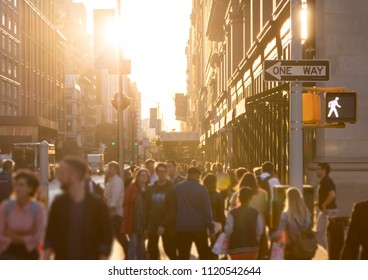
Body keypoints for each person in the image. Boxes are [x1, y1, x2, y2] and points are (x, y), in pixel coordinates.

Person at [44, 157, 113, 260]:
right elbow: (51, 235)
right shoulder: (59, 203)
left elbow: (106, 237)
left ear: (74, 175)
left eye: (62, 173)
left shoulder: (97, 205)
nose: (58, 177)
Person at [0, 170, 44, 260]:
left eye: (21, 185)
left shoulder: (36, 208)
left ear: (30, 188)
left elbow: (37, 234)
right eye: (16, 185)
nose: (17, 188)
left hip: (30, 253)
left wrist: (11, 234)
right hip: (8, 252)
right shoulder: (6, 206)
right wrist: (25, 235)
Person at [175, 167, 214, 260]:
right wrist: (210, 227)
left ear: (187, 175)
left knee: (183, 255)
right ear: (197, 176)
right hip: (199, 227)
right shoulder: (202, 189)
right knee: (204, 255)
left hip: (182, 227)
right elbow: (206, 210)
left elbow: (173, 207)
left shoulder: (177, 188)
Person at [271, 187, 313, 260]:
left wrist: (271, 236)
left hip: (291, 250)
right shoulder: (307, 213)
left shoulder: (286, 215)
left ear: (288, 199)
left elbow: (279, 233)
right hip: (306, 250)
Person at [146, 163, 176, 260]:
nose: (162, 174)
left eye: (164, 172)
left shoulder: (171, 188)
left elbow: (173, 208)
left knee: (169, 250)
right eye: (160, 172)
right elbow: (148, 207)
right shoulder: (151, 188)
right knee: (152, 251)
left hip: (167, 226)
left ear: (167, 173)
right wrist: (146, 225)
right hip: (153, 225)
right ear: (157, 173)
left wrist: (163, 225)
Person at [224, 187, 263, 260]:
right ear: (250, 198)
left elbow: (228, 230)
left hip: (235, 247)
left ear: (238, 198)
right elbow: (259, 230)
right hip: (252, 246)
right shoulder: (255, 212)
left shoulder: (232, 213)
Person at [122, 168, 150, 260]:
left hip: (145, 221)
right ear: (137, 177)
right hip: (133, 220)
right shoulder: (132, 187)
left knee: (141, 244)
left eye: (145, 175)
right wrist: (126, 217)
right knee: (133, 243)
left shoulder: (149, 189)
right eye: (141, 175)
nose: (143, 177)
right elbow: (125, 202)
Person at [105, 161, 128, 259]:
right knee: (119, 236)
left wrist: (111, 212)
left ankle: (129, 253)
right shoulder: (111, 181)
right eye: (109, 168)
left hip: (116, 214)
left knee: (120, 235)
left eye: (111, 168)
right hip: (114, 213)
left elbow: (115, 198)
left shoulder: (117, 181)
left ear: (116, 170)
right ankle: (128, 253)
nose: (108, 170)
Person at [202, 174, 225, 259]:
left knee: (203, 246)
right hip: (216, 223)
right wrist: (224, 224)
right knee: (215, 247)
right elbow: (221, 213)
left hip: (202, 223)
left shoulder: (201, 194)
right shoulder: (218, 196)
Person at [316, 162, 337, 250]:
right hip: (327, 210)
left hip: (327, 211)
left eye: (318, 169)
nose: (316, 171)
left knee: (320, 234)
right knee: (324, 234)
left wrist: (324, 205)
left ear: (324, 170)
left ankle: (329, 253)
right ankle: (330, 253)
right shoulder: (325, 181)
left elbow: (332, 194)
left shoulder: (326, 181)